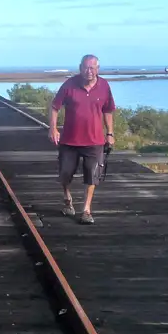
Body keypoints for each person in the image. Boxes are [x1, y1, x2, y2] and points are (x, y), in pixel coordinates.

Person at [48, 54, 115, 225]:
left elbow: (108, 111)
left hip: (94, 141)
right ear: (80, 67)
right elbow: (55, 107)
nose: (89, 71)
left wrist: (110, 133)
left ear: (97, 69)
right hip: (69, 140)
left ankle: (86, 210)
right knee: (65, 174)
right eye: (86, 67)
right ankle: (68, 200)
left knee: (92, 176)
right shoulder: (69, 85)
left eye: (92, 68)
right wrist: (53, 128)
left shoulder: (104, 86)